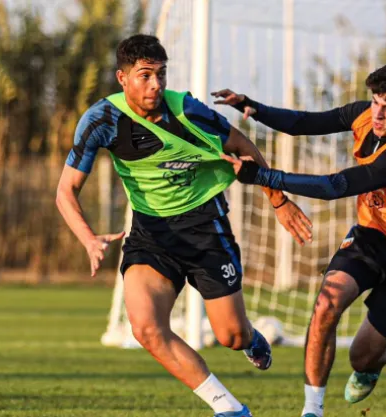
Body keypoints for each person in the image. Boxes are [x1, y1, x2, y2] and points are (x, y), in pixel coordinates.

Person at [56, 34, 313, 417]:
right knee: (145, 328)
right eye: (145, 75)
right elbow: (65, 191)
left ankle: (249, 337)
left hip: (206, 228)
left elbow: (243, 146)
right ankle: (229, 409)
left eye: (161, 74)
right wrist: (88, 239)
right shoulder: (101, 120)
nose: (155, 84)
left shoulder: (188, 111)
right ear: (122, 78)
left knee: (231, 335)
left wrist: (278, 200)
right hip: (152, 235)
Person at [213, 59, 386, 417]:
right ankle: (312, 410)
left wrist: (262, 176)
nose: (378, 113)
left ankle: (373, 363)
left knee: (361, 357)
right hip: (373, 233)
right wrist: (253, 107)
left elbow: (336, 186)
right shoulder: (366, 115)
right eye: (376, 101)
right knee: (327, 304)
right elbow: (304, 123)